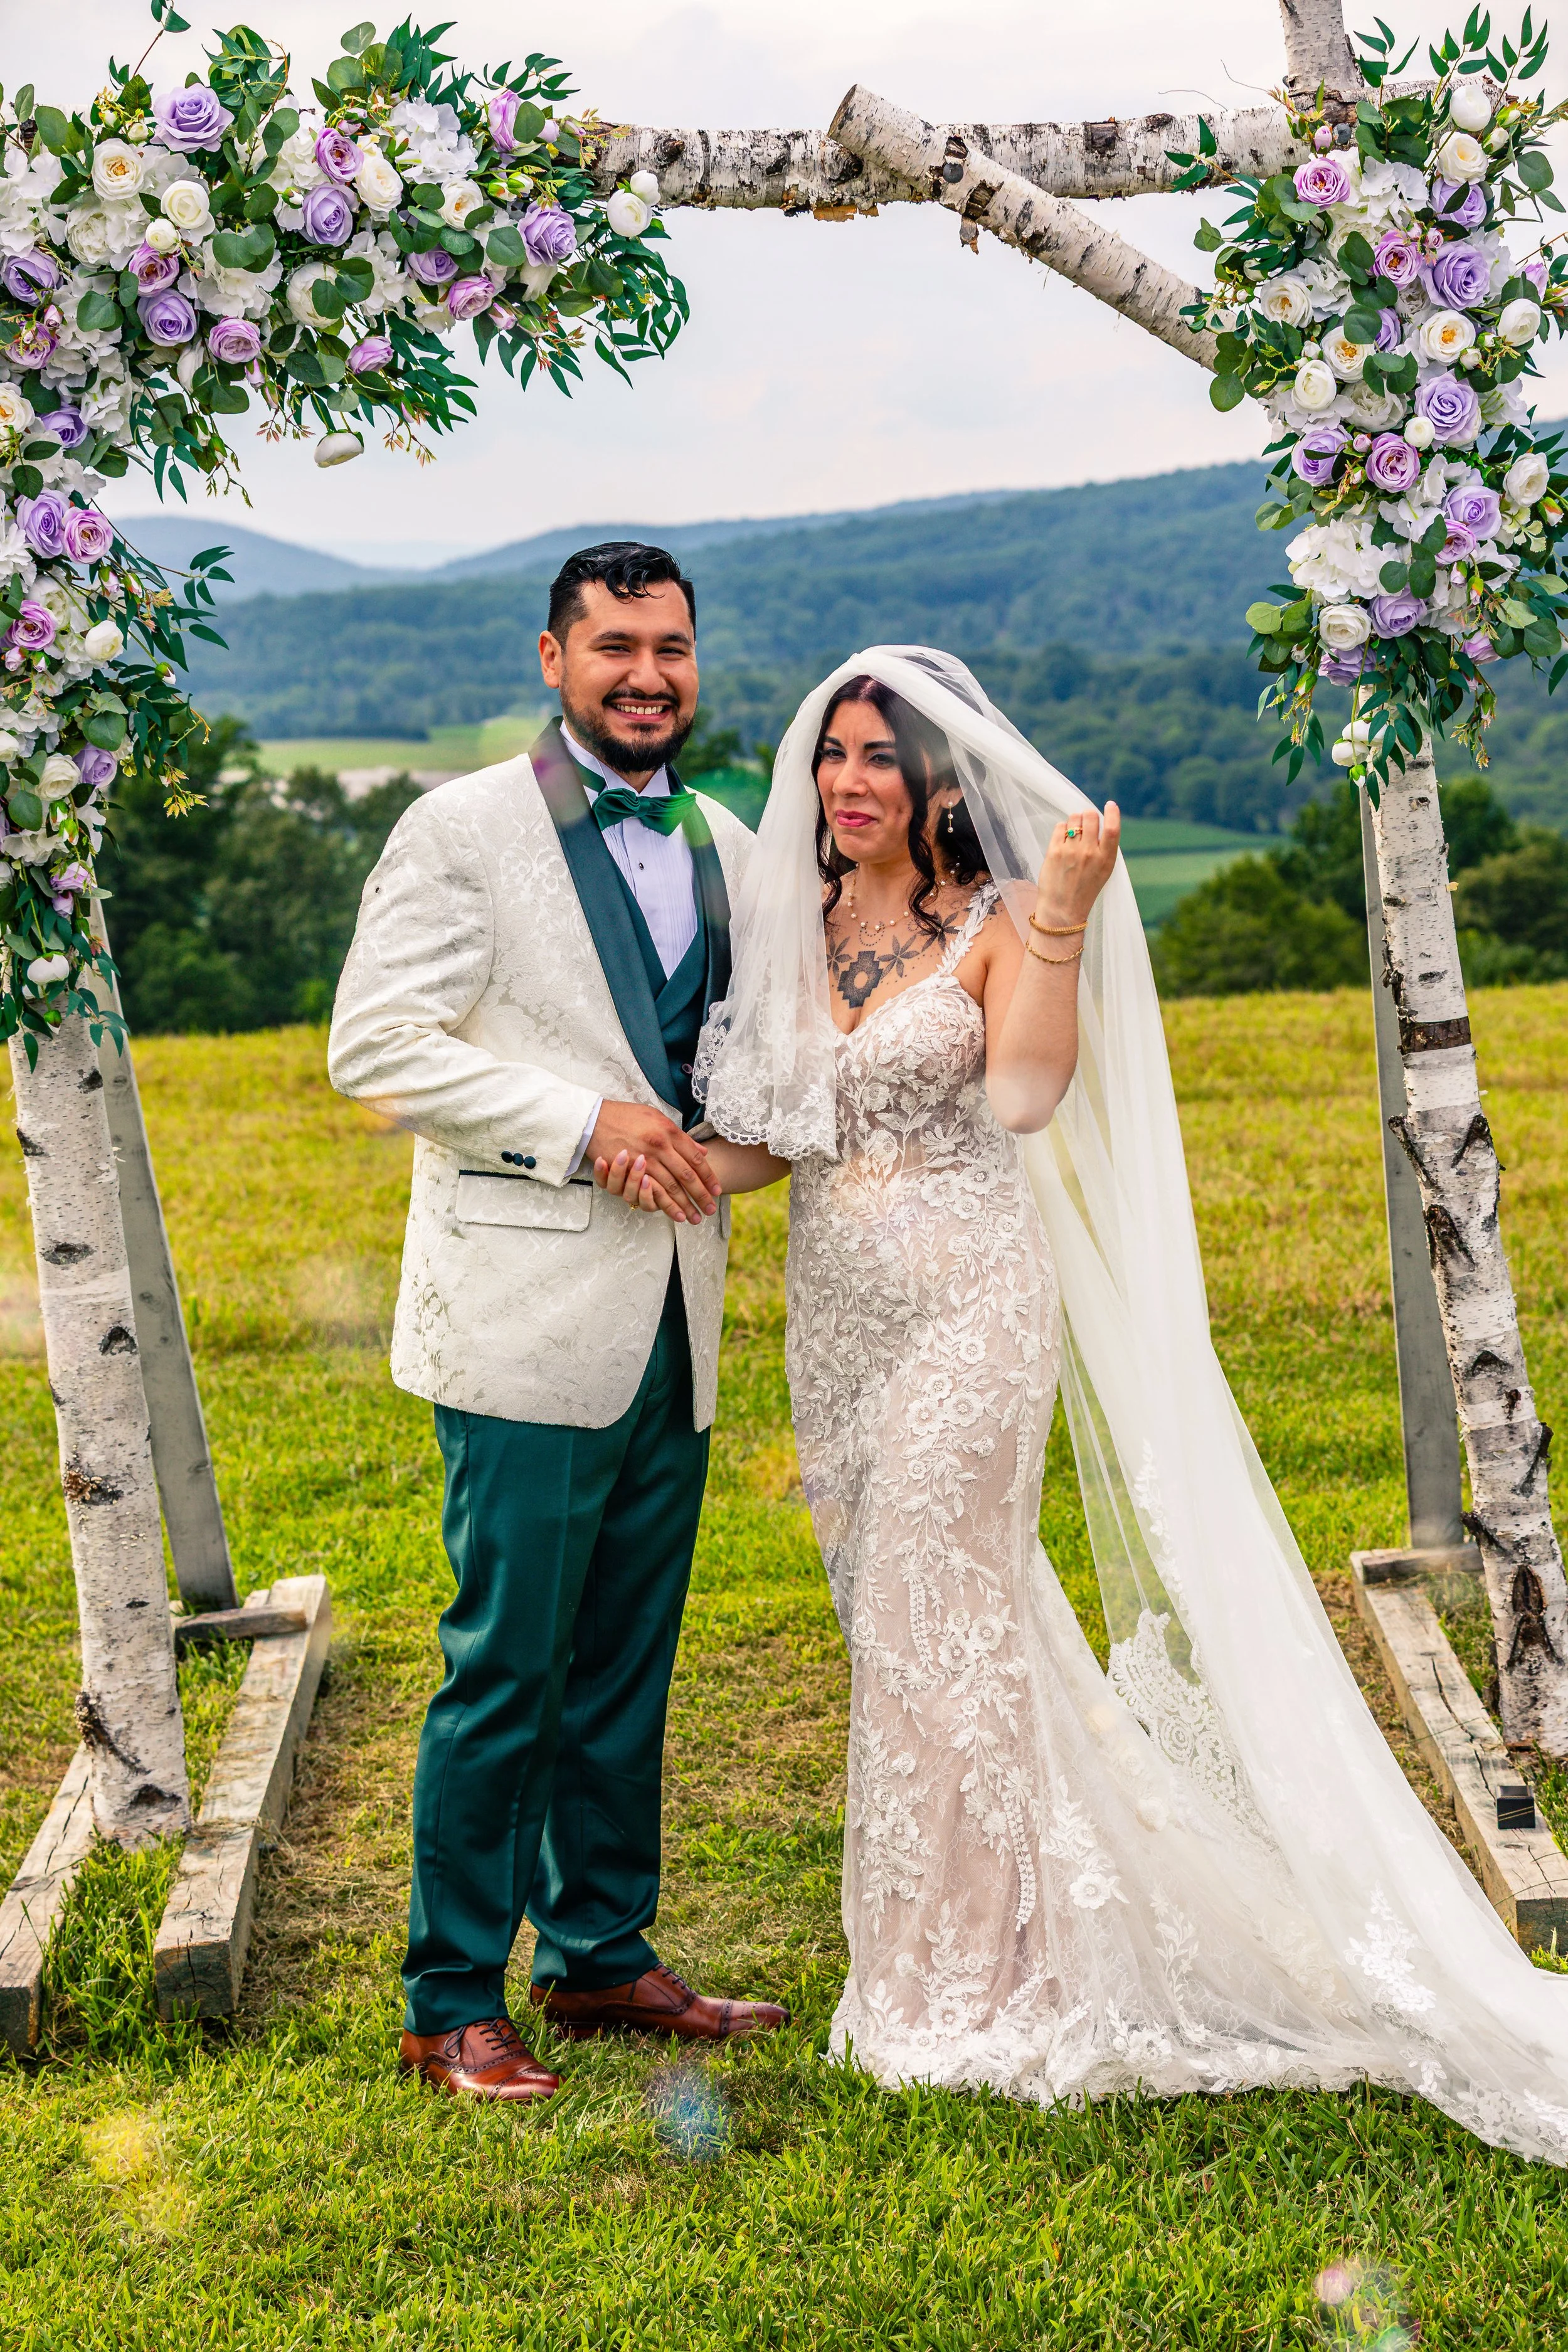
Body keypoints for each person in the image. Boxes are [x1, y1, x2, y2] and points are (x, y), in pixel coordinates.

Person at [603, 643, 1568, 2164]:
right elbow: (773, 1135)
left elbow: (1027, 1097)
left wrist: (1052, 923)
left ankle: (996, 1981)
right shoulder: (794, 921)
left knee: (946, 1607)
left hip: (973, 1311)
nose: (846, 783)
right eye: (832, 756)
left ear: (937, 781)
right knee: (902, 1639)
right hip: (837, 1331)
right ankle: (935, 1955)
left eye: (878, 759)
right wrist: (641, 1168)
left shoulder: (994, 922)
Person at [328, 542, 788, 2107]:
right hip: (523, 1314)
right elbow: (375, 1049)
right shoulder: (456, 829)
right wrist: (577, 1119)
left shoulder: (725, 838)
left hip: (675, 1311)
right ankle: (448, 1996)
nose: (646, 674)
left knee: (623, 1664)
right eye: (613, 647)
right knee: (505, 1666)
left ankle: (597, 1955)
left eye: (671, 646)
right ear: (551, 657)